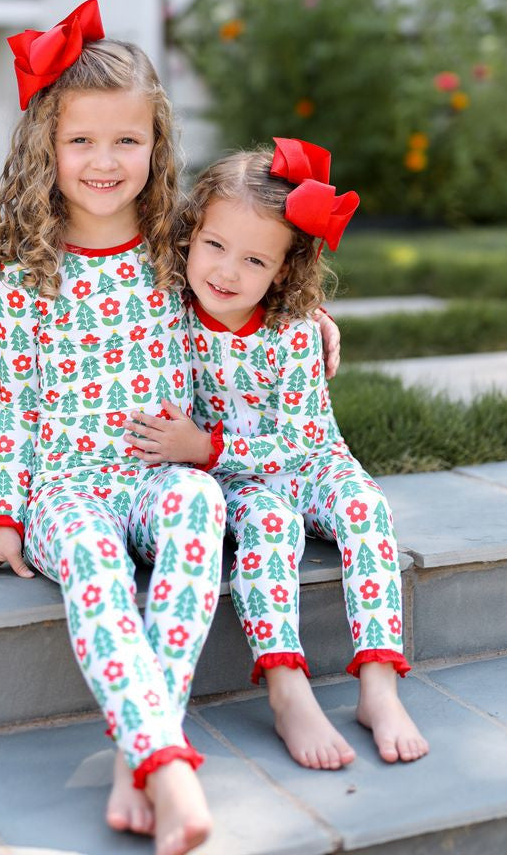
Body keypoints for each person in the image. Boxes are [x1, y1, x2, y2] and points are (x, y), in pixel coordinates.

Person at [0, 0, 229, 855]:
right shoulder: (25, 272)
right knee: (96, 561)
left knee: (198, 508)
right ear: (45, 148)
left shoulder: (178, 245)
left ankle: (143, 753)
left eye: (126, 141)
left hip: (158, 473)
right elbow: (17, 402)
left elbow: (255, 280)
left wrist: (314, 316)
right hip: (67, 490)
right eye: (81, 141)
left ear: (156, 145)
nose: (104, 162)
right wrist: (5, 520)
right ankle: (167, 766)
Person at [126, 139, 430, 771]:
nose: (227, 273)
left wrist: (206, 446)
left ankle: (379, 684)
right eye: (213, 246)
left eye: (254, 260)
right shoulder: (171, 313)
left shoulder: (292, 332)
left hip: (310, 461)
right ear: (188, 237)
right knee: (271, 525)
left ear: (284, 271)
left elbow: (295, 442)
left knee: (367, 509)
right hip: (237, 481)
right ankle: (288, 690)